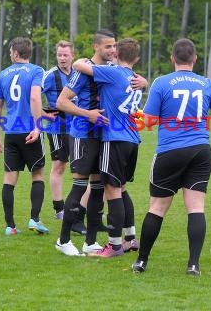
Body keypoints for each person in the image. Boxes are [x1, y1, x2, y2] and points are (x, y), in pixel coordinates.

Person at [131, 38, 211, 275]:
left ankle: (141, 261)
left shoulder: (161, 83)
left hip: (170, 151)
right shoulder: (206, 83)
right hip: (200, 151)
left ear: (172, 58)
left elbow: (148, 121)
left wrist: (132, 115)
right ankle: (193, 264)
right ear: (194, 59)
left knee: (158, 208)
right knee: (196, 208)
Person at [72, 37, 145, 258]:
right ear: (137, 58)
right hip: (133, 139)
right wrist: (146, 82)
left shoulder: (111, 73)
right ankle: (130, 239)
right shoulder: (136, 78)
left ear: (116, 54)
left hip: (114, 139)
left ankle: (113, 246)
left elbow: (77, 65)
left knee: (111, 191)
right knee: (121, 189)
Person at [54, 30, 116, 256]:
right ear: (96, 47)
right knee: (79, 187)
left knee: (98, 190)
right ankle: (63, 240)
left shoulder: (110, 70)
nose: (112, 50)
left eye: (114, 46)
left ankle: (90, 241)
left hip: (104, 136)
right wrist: (87, 114)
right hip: (82, 134)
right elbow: (62, 102)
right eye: (108, 47)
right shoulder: (82, 71)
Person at [0, 37, 49, 236]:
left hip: (11, 133)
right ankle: (35, 219)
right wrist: (38, 127)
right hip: (30, 131)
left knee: (9, 179)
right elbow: (34, 97)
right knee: (37, 175)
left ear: (15, 53)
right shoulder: (36, 70)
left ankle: (10, 226)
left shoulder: (3, 74)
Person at [42, 40, 87, 235]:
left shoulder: (80, 73)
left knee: (83, 170)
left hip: (80, 129)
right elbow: (31, 97)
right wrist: (43, 115)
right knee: (59, 167)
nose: (62, 58)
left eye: (65, 55)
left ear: (72, 55)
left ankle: (81, 209)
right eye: (59, 55)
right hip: (57, 128)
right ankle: (59, 208)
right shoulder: (50, 75)